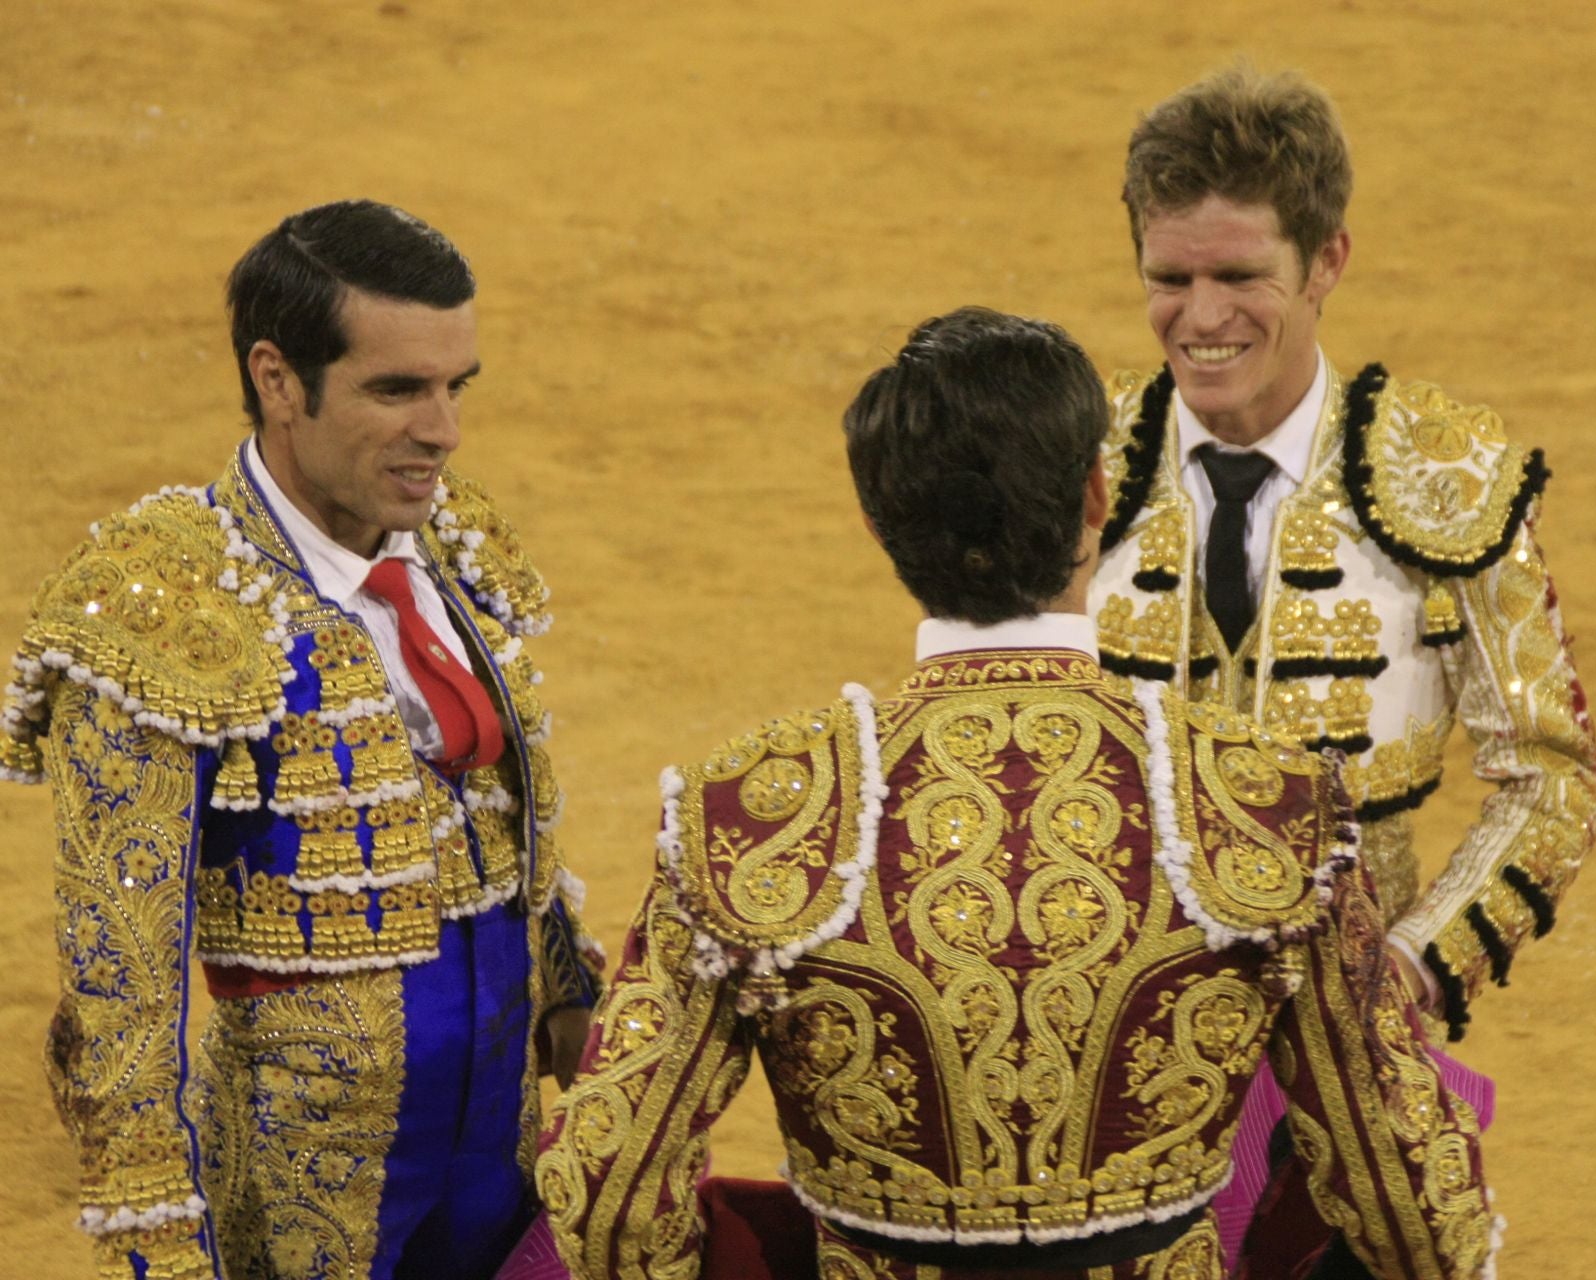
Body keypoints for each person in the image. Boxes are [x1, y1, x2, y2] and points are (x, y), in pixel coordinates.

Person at [536, 307, 1496, 1280]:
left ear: (879, 521)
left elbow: (609, 1191)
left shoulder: (753, 817)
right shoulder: (1265, 802)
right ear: (1096, 490)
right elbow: (1411, 1190)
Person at [0, 200, 604, 1280]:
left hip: (498, 1145)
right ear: (279, 379)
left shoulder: (449, 540)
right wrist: (158, 1251)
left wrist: (567, 986)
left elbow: (513, 806)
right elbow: (120, 993)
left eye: (453, 387)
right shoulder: (160, 606)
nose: (443, 432)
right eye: (396, 390)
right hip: (301, 1184)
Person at [1093, 67, 1596, 1271]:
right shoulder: (1077, 460)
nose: (1199, 317)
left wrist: (1417, 966)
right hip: (1103, 1059)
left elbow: (1551, 771)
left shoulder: (1443, 481)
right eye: (1169, 278)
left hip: (1346, 1072)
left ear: (1327, 261)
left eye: (1239, 278)